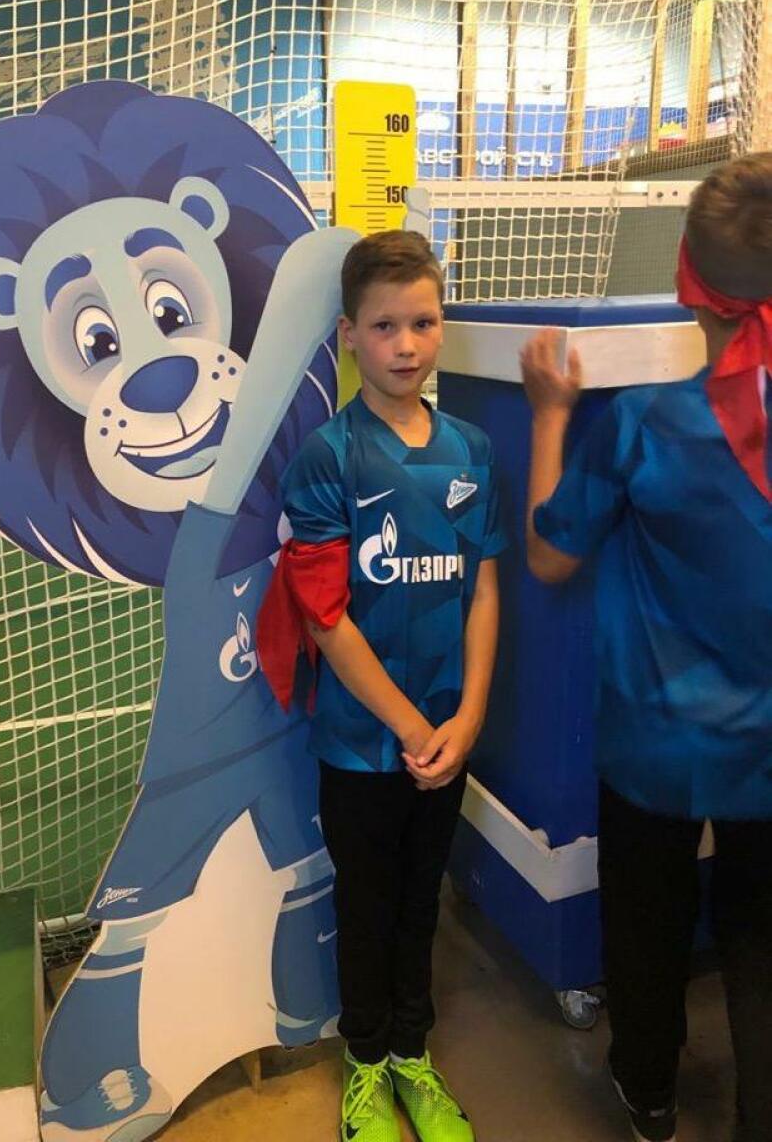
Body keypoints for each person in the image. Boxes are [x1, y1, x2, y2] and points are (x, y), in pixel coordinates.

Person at [520, 153, 772, 1142]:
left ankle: (650, 1092)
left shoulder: (643, 421)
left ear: (685, 279)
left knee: (647, 917)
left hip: (654, 744)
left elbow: (549, 554)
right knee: (761, 942)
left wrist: (549, 415)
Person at [258, 229, 505, 1142]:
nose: (407, 345)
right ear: (350, 336)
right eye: (386, 326)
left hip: (447, 740)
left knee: (420, 901)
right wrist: (409, 726)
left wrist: (469, 716)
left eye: (424, 323)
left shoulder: (472, 450)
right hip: (365, 748)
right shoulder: (328, 458)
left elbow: (484, 587)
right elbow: (327, 618)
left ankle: (412, 1056)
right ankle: (365, 1065)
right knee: (366, 909)